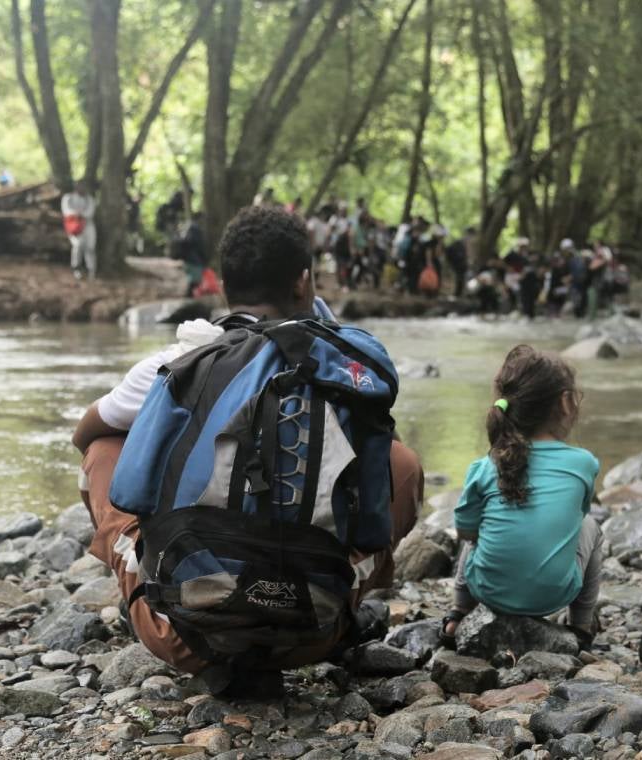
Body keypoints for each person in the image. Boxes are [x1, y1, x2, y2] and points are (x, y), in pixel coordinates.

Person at [71, 205, 423, 694]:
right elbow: (380, 469)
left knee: (106, 446)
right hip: (312, 631)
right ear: (304, 282)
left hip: (185, 635)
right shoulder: (344, 367)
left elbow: (86, 433)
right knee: (399, 463)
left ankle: (155, 589)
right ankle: (342, 602)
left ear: (221, 286)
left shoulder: (180, 361)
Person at [440, 345, 602, 649]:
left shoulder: (484, 467)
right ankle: (581, 625)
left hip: (487, 591)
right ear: (566, 403)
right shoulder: (583, 464)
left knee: (475, 532)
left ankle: (459, 612)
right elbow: (577, 517)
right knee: (591, 525)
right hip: (555, 595)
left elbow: (465, 532)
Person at [61, 181, 97, 281]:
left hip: (88, 226)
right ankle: (76, 269)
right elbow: (66, 212)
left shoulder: (89, 199)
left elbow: (90, 212)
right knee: (77, 246)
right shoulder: (68, 198)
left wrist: (81, 215)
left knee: (90, 248)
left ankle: (91, 270)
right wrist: (76, 215)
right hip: (74, 226)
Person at [173, 212, 206, 297]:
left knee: (193, 279)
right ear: (199, 218)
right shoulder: (195, 228)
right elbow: (198, 244)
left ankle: (189, 296)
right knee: (195, 280)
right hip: (194, 258)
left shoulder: (188, 227)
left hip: (188, 257)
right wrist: (204, 258)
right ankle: (188, 297)